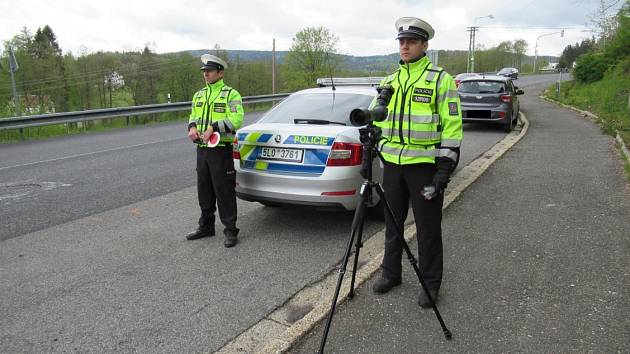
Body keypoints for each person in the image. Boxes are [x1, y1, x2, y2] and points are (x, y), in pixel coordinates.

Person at [371, 17, 463, 307]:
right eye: (401, 41)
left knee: (427, 226)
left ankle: (430, 282)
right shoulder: (389, 81)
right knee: (393, 222)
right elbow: (378, 120)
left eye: (411, 41)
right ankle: (391, 272)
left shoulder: (439, 79)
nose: (405, 46)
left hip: (424, 167)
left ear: (425, 45)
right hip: (393, 166)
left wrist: (445, 167)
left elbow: (452, 126)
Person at [186, 54, 244, 248]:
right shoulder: (199, 95)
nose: (206, 74)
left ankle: (230, 230)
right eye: (204, 71)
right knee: (204, 190)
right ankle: (206, 226)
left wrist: (214, 126)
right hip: (202, 150)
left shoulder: (231, 94)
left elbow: (236, 120)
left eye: (209, 71)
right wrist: (192, 128)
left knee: (224, 190)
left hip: (221, 150)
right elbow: (193, 115)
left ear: (220, 72)